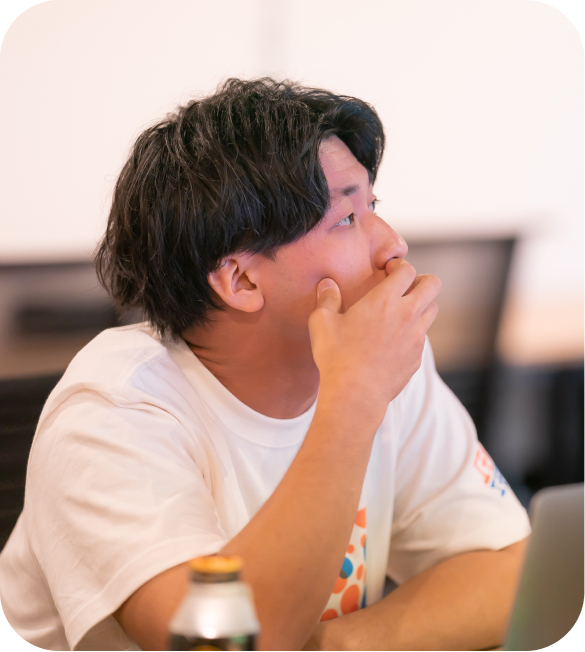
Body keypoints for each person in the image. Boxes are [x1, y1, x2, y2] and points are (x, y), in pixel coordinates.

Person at [0, 78, 530, 651]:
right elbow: (215, 642)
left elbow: (512, 567)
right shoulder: (111, 411)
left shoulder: (380, 365)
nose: (393, 245)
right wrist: (355, 398)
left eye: (373, 206)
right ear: (241, 280)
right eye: (346, 218)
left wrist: (336, 646)